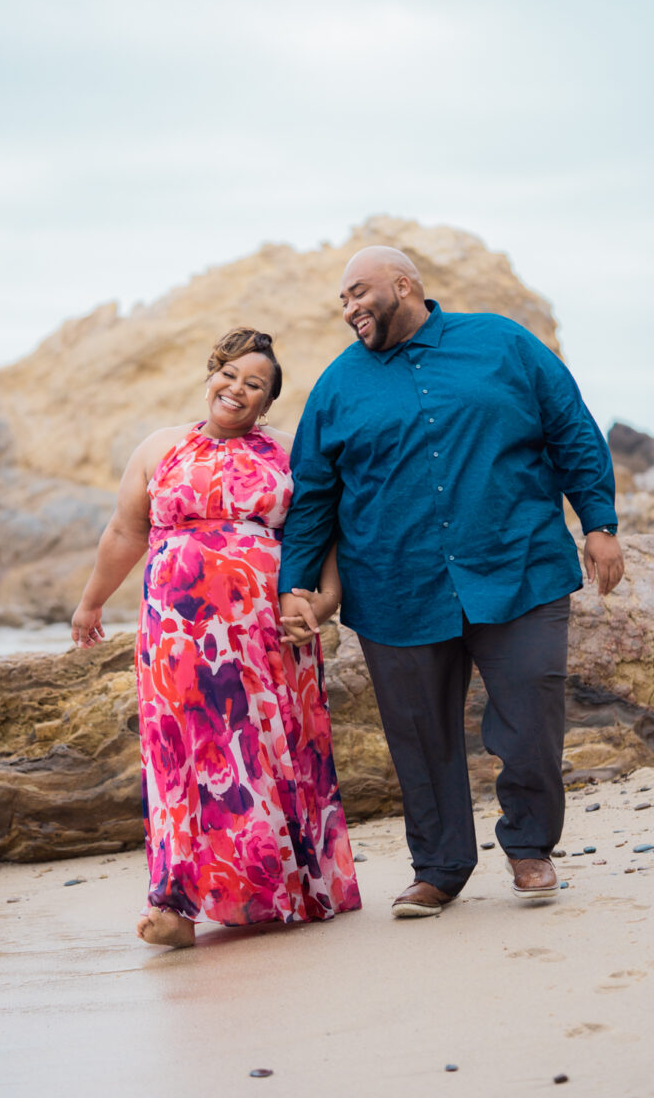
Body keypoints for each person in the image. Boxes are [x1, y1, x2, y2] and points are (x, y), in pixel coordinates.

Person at [278, 247, 624, 919]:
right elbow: (314, 494)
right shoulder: (337, 387)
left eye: (357, 293)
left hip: (517, 567)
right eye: (340, 301)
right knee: (419, 737)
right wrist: (297, 582)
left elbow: (571, 428)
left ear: (403, 284)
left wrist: (599, 522)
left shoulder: (501, 342)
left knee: (531, 718)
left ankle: (529, 849)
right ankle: (440, 868)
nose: (348, 308)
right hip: (394, 586)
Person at [72, 327, 361, 947]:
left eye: (254, 384)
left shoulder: (289, 452)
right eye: (228, 375)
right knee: (182, 759)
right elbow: (125, 532)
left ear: (267, 400)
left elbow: (321, 535)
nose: (236, 389)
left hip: (264, 633)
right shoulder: (160, 447)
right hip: (176, 638)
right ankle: (176, 906)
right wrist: (91, 602)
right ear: (211, 375)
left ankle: (281, 889)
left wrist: (323, 599)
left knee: (263, 752)